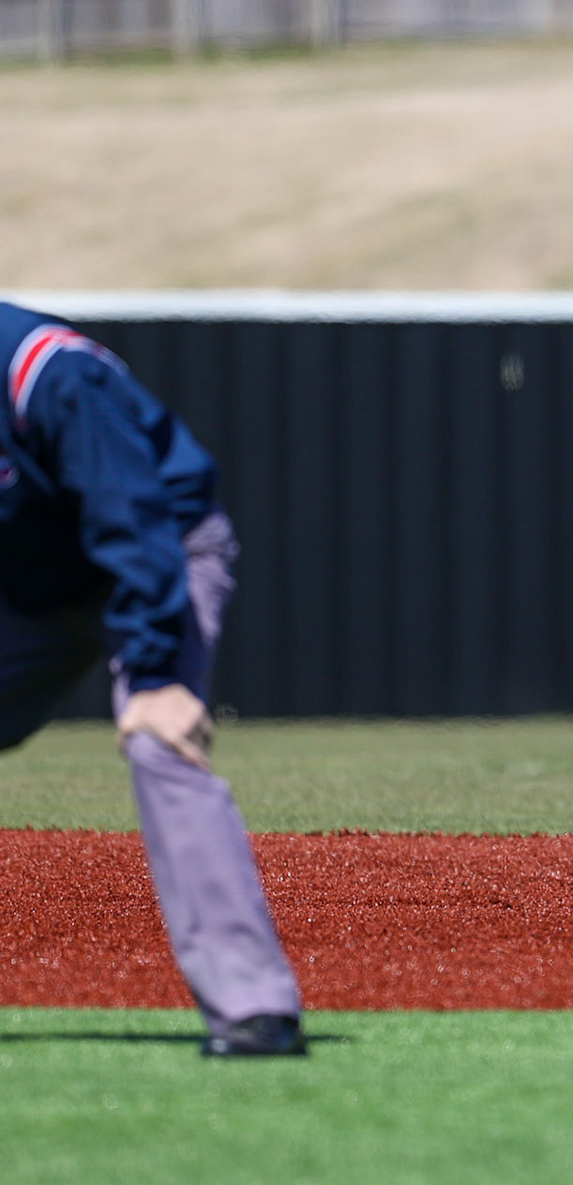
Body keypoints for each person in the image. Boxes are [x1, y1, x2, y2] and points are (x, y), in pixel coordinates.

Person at [1, 303, 306, 1056]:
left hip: (161, 553)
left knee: (159, 742)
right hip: (35, 589)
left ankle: (254, 1008)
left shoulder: (45, 369)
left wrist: (157, 673)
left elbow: (130, 515)